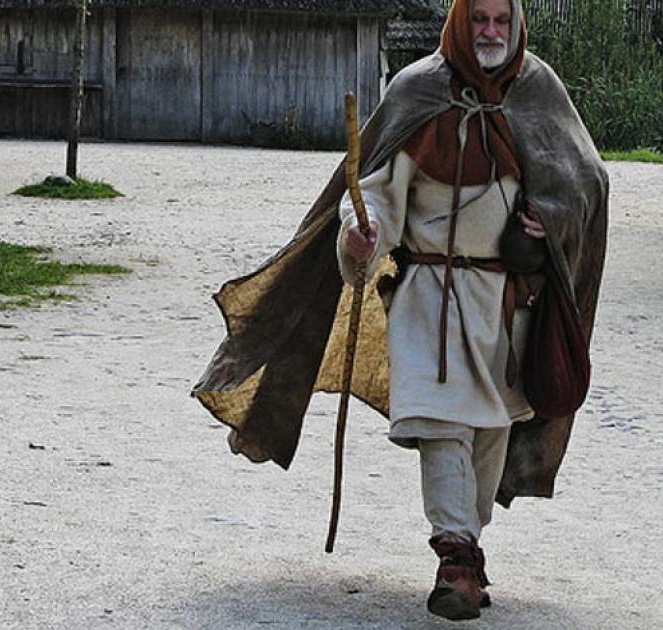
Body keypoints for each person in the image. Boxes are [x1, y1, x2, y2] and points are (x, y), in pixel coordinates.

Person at [192, 0, 607, 621]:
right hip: (430, 303)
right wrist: (362, 235)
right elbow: (377, 196)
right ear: (460, 25)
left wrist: (550, 220)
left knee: (490, 431)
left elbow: (585, 180)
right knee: (441, 423)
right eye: (479, 21)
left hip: (504, 304)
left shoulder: (539, 91)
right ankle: (455, 555)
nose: (490, 33)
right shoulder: (418, 92)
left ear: (516, 25)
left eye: (501, 21)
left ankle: (469, 537)